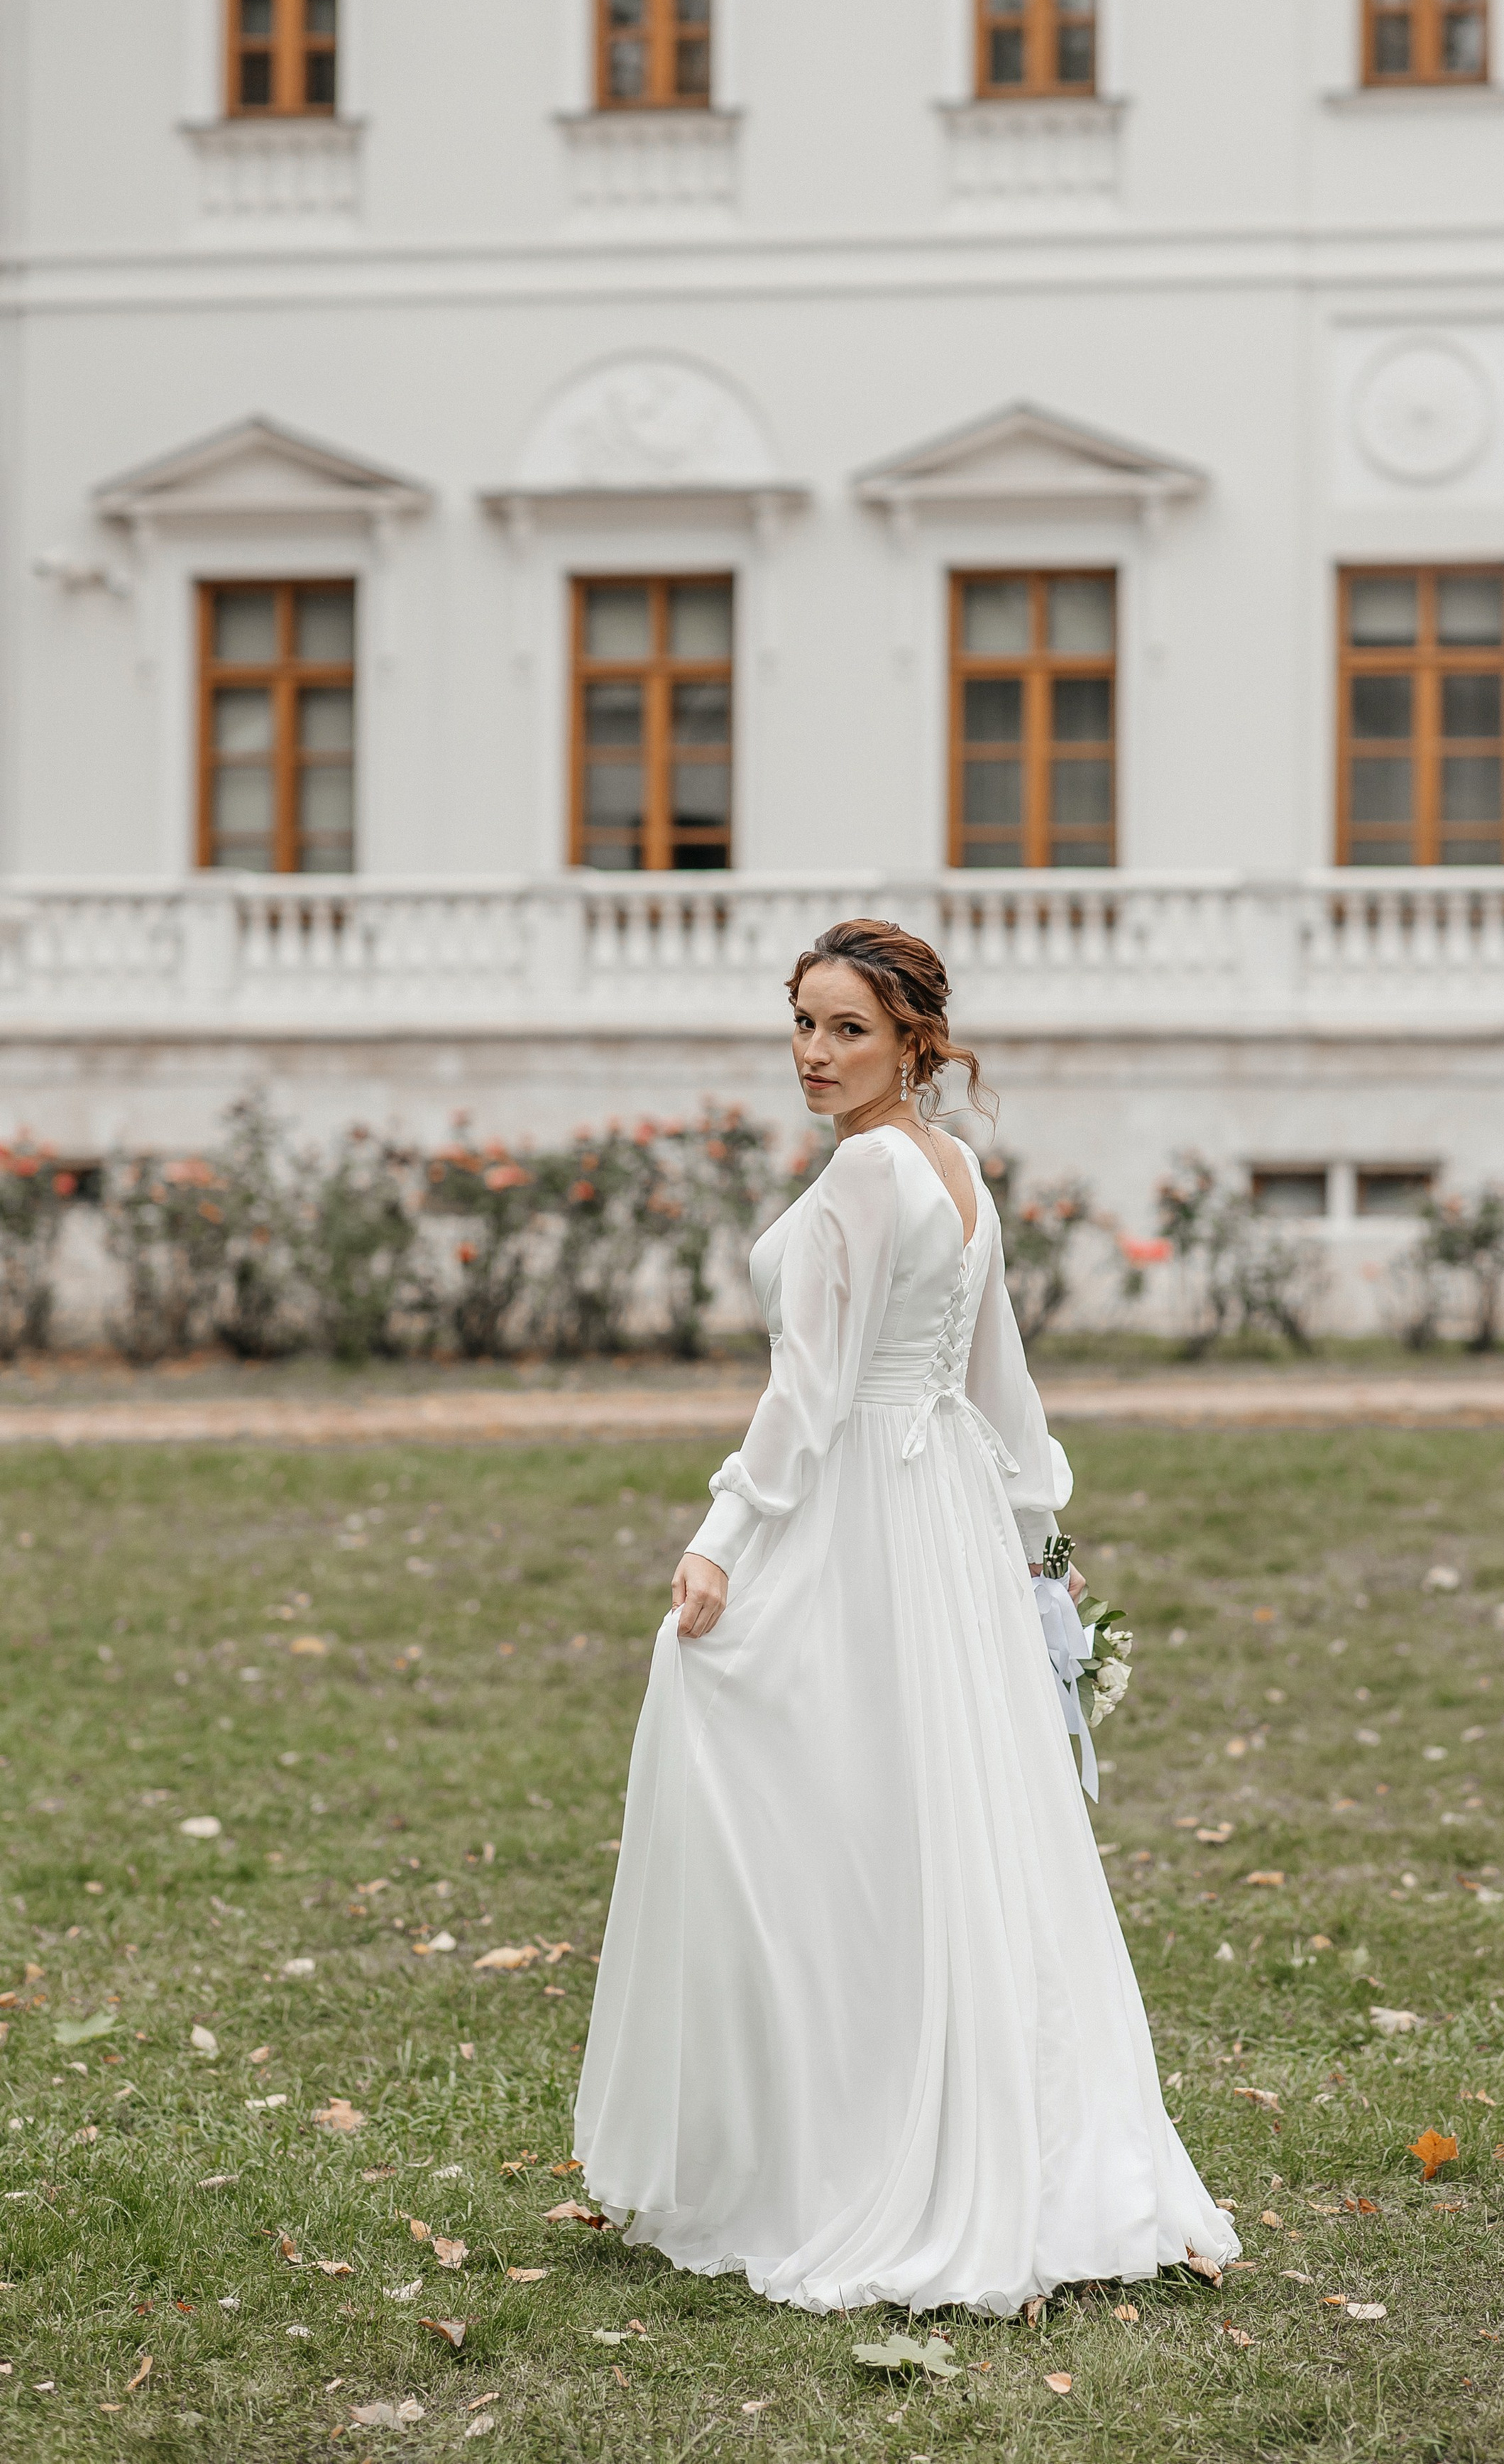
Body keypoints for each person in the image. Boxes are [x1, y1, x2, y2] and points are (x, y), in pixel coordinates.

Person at [572, 919, 1239, 2316]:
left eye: (846, 1030)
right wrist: (1032, 1534)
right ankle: (923, 2114)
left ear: (914, 1041)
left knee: (830, 1800)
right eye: (800, 1025)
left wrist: (718, 1540)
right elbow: (1000, 1381)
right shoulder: (954, 1168)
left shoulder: (881, 1169)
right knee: (932, 1814)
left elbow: (811, 1391)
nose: (814, 1055)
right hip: (932, 1513)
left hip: (867, 1510)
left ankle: (862, 2142)